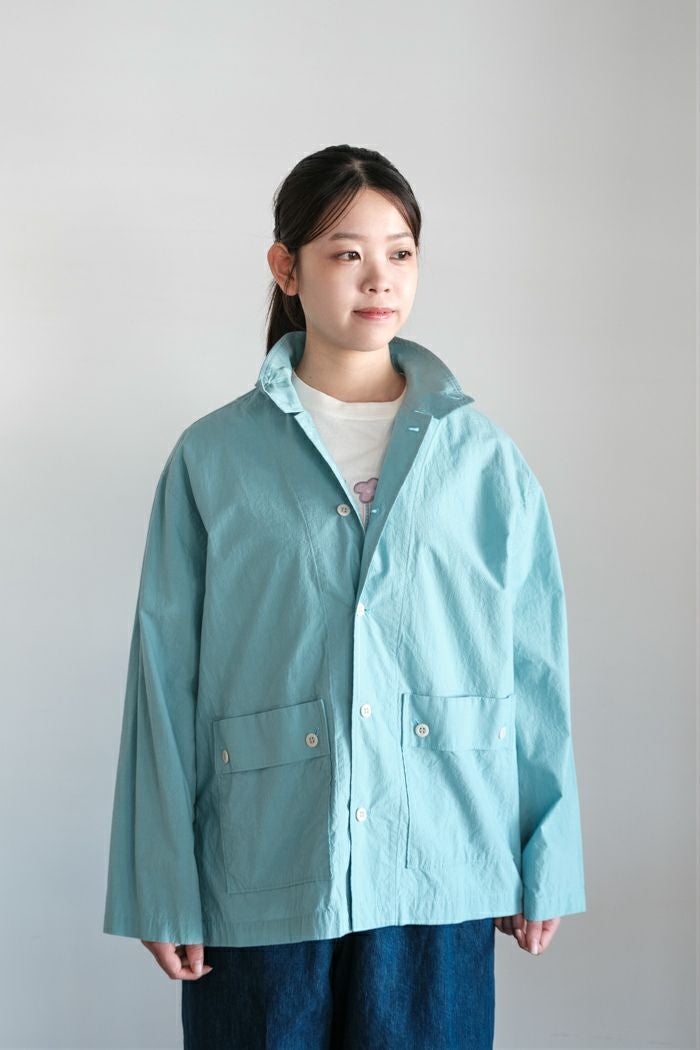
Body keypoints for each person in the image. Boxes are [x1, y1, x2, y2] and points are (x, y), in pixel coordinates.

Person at [102, 144, 587, 1049]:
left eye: (400, 253)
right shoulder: (214, 458)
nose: (379, 278)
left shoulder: (485, 461)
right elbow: (163, 679)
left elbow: (534, 666)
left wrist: (547, 853)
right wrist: (158, 881)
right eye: (346, 253)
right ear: (286, 268)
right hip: (263, 864)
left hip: (443, 857)